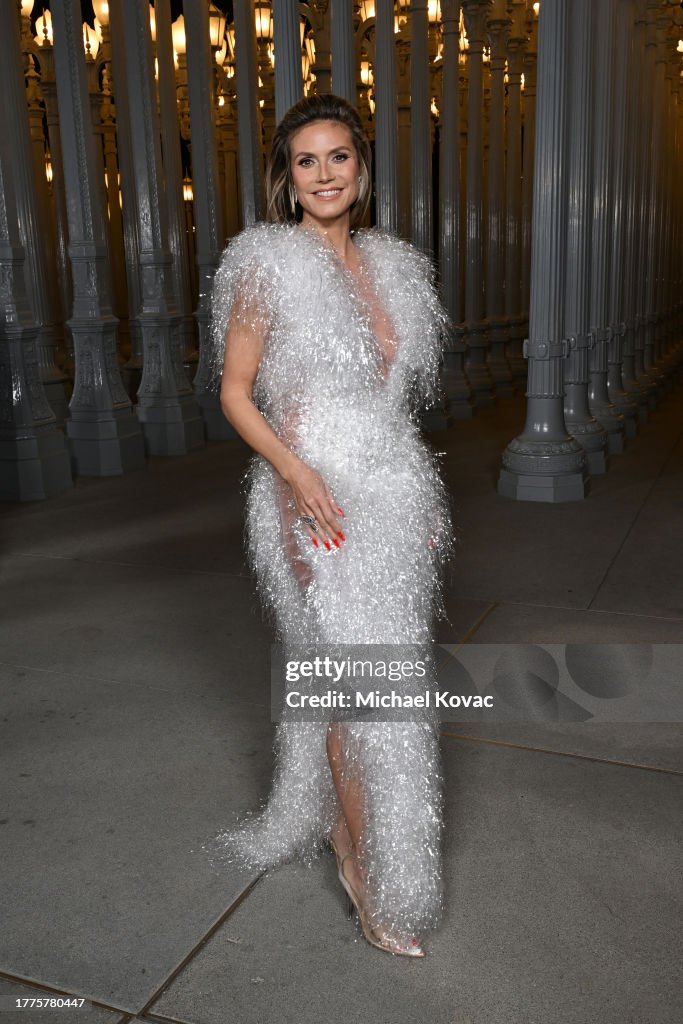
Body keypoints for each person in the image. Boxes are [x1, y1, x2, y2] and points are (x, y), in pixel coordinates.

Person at [206, 94, 453, 957]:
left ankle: (360, 844)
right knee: (358, 691)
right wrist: (296, 471)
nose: (322, 175)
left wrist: (416, 500)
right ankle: (366, 869)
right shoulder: (264, 263)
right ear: (287, 175)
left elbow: (395, 412)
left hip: (389, 494)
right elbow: (236, 392)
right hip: (307, 496)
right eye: (305, 161)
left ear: (360, 166)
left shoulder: (392, 265)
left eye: (337, 157)